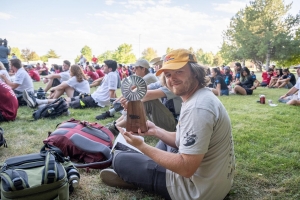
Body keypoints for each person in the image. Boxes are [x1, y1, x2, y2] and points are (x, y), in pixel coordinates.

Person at [100, 49, 235, 200]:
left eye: (178, 72)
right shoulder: (200, 96)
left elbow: (186, 168)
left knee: (121, 159)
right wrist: (156, 130)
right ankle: (145, 172)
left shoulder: (197, 107)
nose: (172, 79)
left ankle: (140, 176)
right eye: (168, 75)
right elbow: (181, 138)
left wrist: (142, 146)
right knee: (162, 143)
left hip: (196, 191)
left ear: (195, 72)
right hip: (216, 181)